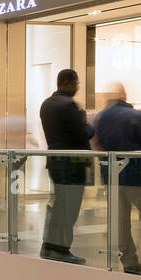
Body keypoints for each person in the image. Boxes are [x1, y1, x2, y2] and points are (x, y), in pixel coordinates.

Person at [93, 82, 141, 275]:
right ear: (124, 95)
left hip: (113, 177)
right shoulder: (135, 116)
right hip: (138, 175)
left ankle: (130, 260)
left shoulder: (101, 117)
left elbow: (96, 143)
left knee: (121, 221)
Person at [39, 68, 94, 264]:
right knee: (69, 209)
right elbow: (84, 133)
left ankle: (49, 246)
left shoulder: (46, 104)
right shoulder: (69, 105)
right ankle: (61, 248)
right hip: (72, 165)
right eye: (77, 83)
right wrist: (86, 122)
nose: (77, 87)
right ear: (70, 82)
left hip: (55, 163)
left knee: (58, 205)